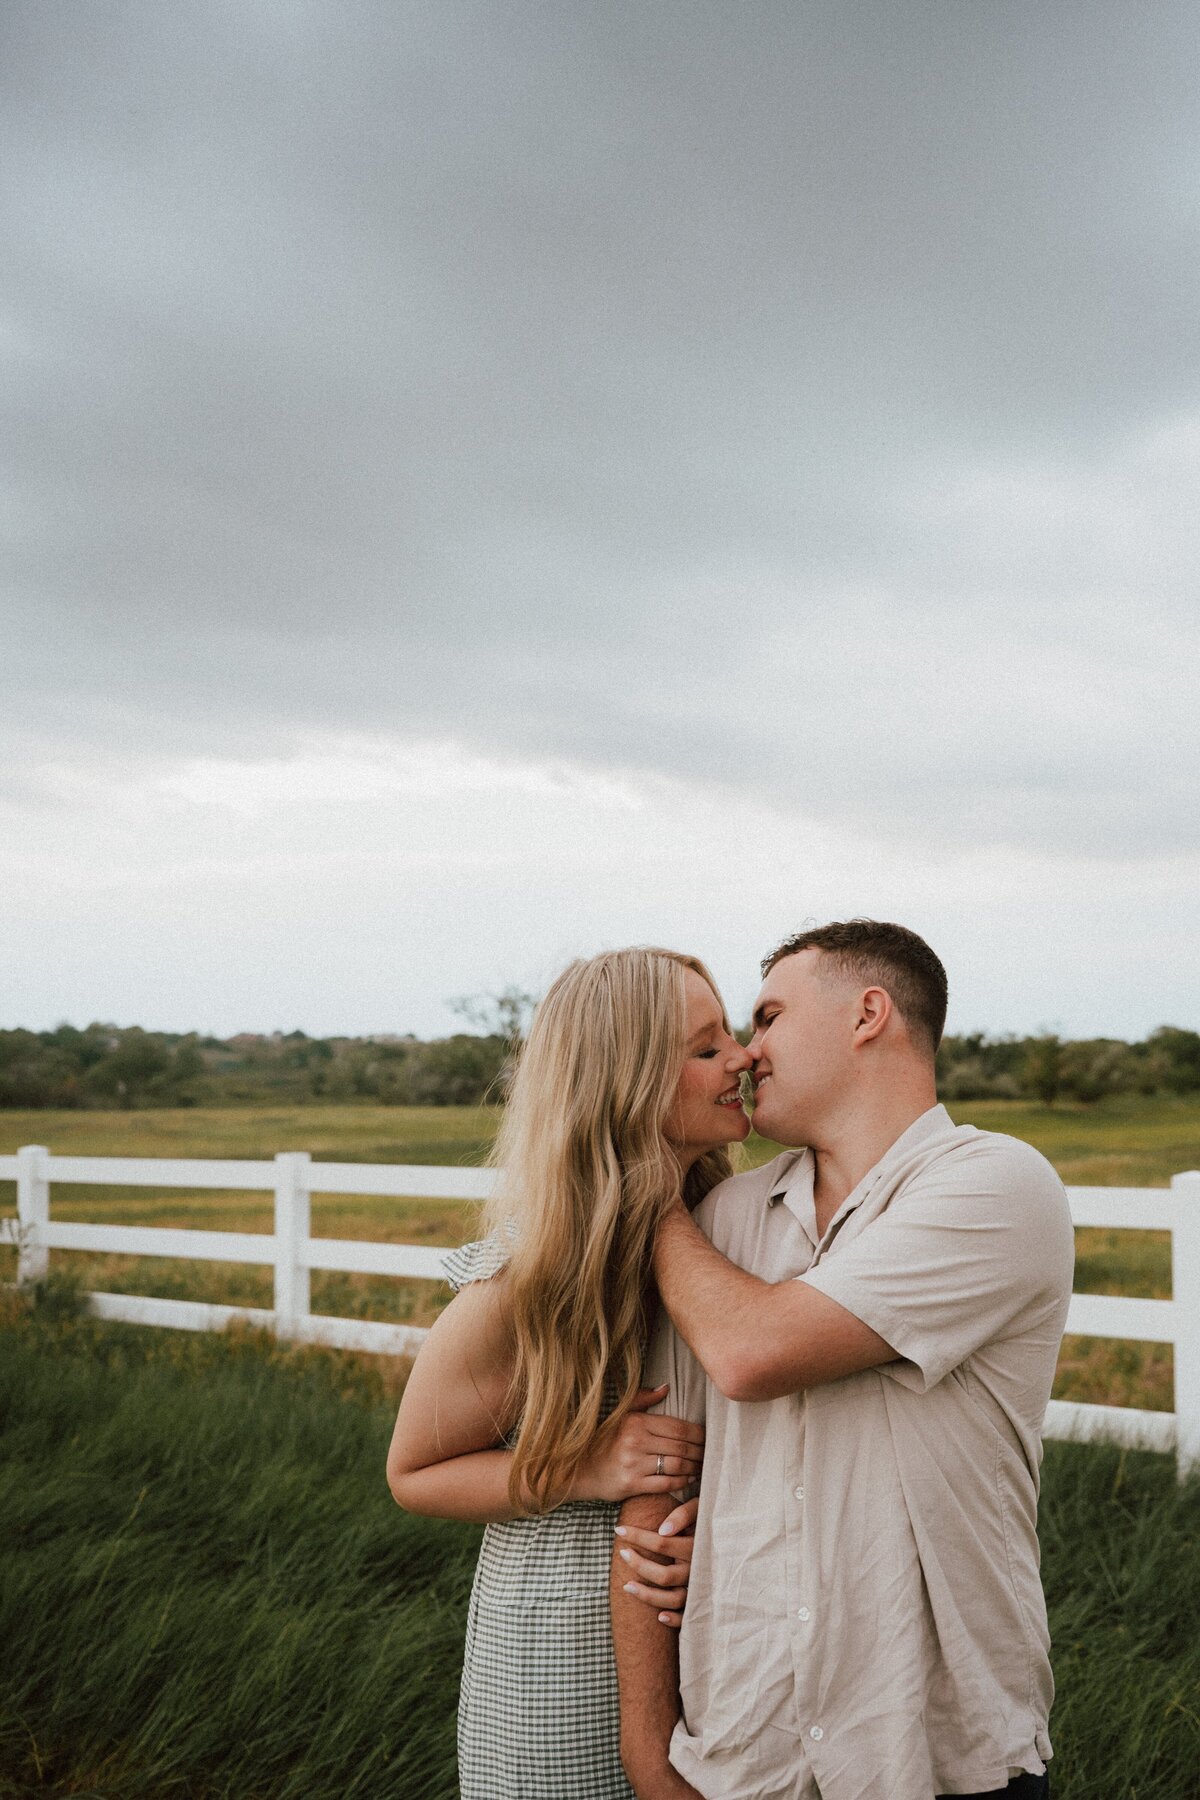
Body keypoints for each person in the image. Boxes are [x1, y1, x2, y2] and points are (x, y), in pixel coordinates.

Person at [613, 920, 1074, 1800]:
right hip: (745, 1751)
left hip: (936, 1752)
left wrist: (650, 1185)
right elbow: (659, 1477)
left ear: (869, 1014)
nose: (748, 1053)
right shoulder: (726, 1224)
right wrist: (649, 1752)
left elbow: (752, 1354)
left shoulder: (998, 1185)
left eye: (770, 1016)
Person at [387, 946, 753, 1800]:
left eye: (730, 1031)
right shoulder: (527, 1281)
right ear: (623, 1087)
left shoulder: (721, 1238)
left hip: (707, 1634)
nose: (741, 1057)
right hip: (562, 1654)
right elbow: (414, 1474)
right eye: (706, 1048)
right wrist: (587, 1468)